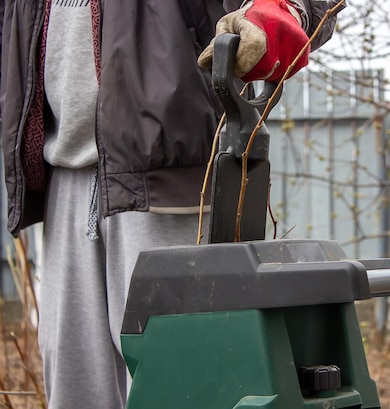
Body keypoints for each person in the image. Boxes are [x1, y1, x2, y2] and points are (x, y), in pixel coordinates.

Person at [0, 0, 342, 408]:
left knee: (182, 387)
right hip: (63, 177)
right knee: (75, 392)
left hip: (169, 180)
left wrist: (284, 10)